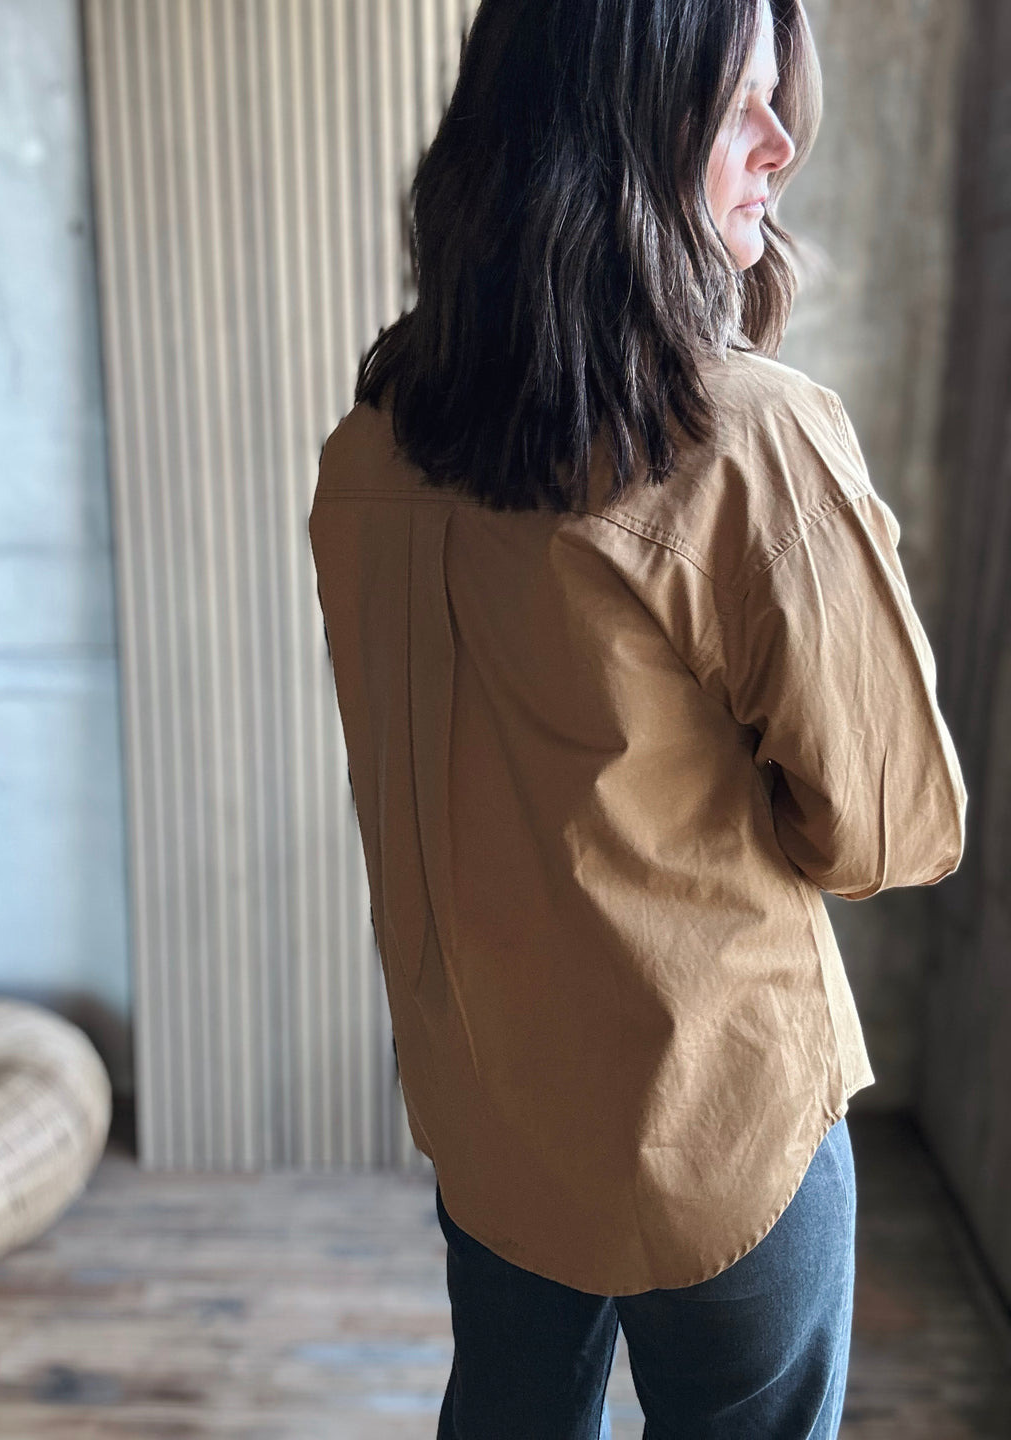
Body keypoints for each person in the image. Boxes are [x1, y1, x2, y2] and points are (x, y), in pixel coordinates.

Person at [307, 0, 968, 1435]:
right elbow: (892, 830)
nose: (782, 147)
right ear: (606, 136)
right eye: (736, 109)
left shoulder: (366, 453)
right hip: (717, 1121)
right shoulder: (749, 439)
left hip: (490, 1112)